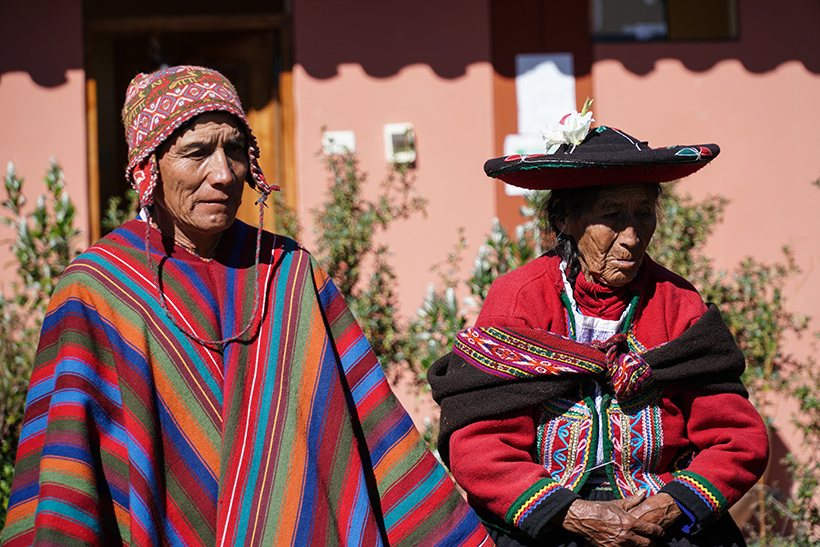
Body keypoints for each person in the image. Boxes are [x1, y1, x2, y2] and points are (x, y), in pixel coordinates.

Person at [1, 65, 491, 547]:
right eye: (195, 152)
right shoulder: (97, 292)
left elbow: (371, 432)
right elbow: (69, 464)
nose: (223, 174)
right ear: (149, 167)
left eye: (235, 150)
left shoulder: (290, 272)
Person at [429, 104, 769, 546]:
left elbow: (735, 438)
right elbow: (482, 445)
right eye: (612, 215)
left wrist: (667, 506)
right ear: (564, 220)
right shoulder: (521, 299)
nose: (632, 236)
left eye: (644, 213)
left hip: (662, 522)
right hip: (552, 524)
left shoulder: (676, 302)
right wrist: (573, 514)